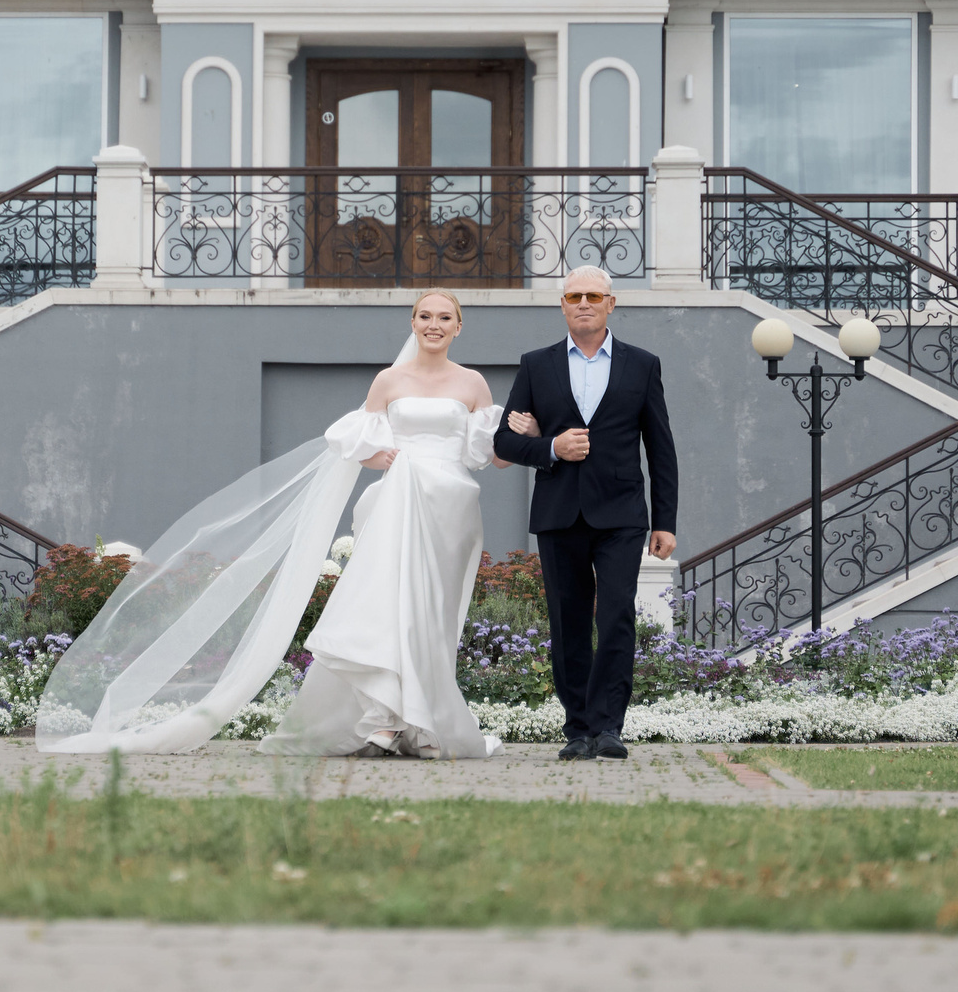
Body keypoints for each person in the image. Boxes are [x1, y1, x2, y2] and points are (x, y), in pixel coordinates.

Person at [34, 290, 508, 759]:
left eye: (444, 317)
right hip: (397, 504)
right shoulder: (389, 379)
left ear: (458, 326)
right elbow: (357, 441)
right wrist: (375, 455)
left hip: (450, 508)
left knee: (434, 612)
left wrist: (524, 434)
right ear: (412, 322)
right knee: (387, 605)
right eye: (424, 315)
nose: (434, 324)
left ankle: (422, 722)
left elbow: (486, 454)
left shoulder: (473, 384)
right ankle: (385, 719)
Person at [492, 264, 679, 763]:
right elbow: (504, 442)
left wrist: (666, 521)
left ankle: (608, 727)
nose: (584, 303)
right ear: (563, 305)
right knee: (567, 621)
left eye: (593, 296)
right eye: (574, 295)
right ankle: (577, 728)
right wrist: (551, 446)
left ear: (611, 304)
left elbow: (660, 447)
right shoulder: (537, 364)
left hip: (621, 514)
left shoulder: (643, 364)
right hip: (558, 512)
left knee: (616, 617)